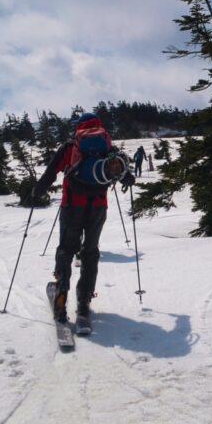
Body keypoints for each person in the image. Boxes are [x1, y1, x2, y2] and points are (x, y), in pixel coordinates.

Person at [33, 113, 134, 330]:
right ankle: (84, 302)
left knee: (66, 250)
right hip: (98, 208)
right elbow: (125, 174)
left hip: (72, 207)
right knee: (90, 251)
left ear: (78, 129)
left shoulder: (71, 147)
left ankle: (60, 298)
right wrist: (128, 178)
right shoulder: (108, 149)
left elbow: (51, 172)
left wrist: (37, 191)